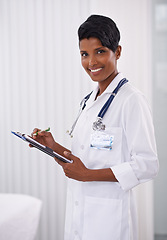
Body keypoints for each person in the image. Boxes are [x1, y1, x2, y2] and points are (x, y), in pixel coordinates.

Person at [31, 15, 159, 240]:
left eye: (100, 51)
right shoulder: (89, 100)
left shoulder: (132, 100)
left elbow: (147, 165)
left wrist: (88, 175)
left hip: (109, 219)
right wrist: (53, 146)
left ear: (117, 52)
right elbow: (84, 157)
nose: (91, 62)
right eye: (84, 54)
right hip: (79, 212)